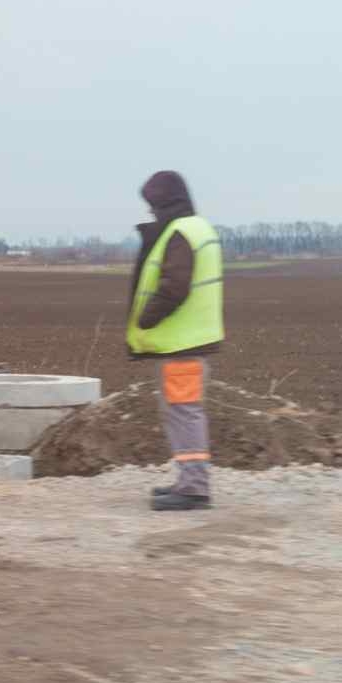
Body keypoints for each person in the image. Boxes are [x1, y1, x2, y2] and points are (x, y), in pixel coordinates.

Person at [126, 170, 224, 511]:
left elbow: (174, 287)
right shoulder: (199, 229)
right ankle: (188, 482)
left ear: (165, 201)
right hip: (191, 342)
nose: (150, 213)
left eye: (152, 205)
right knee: (183, 413)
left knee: (184, 414)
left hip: (181, 344)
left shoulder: (180, 233)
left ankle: (194, 489)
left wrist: (146, 317)